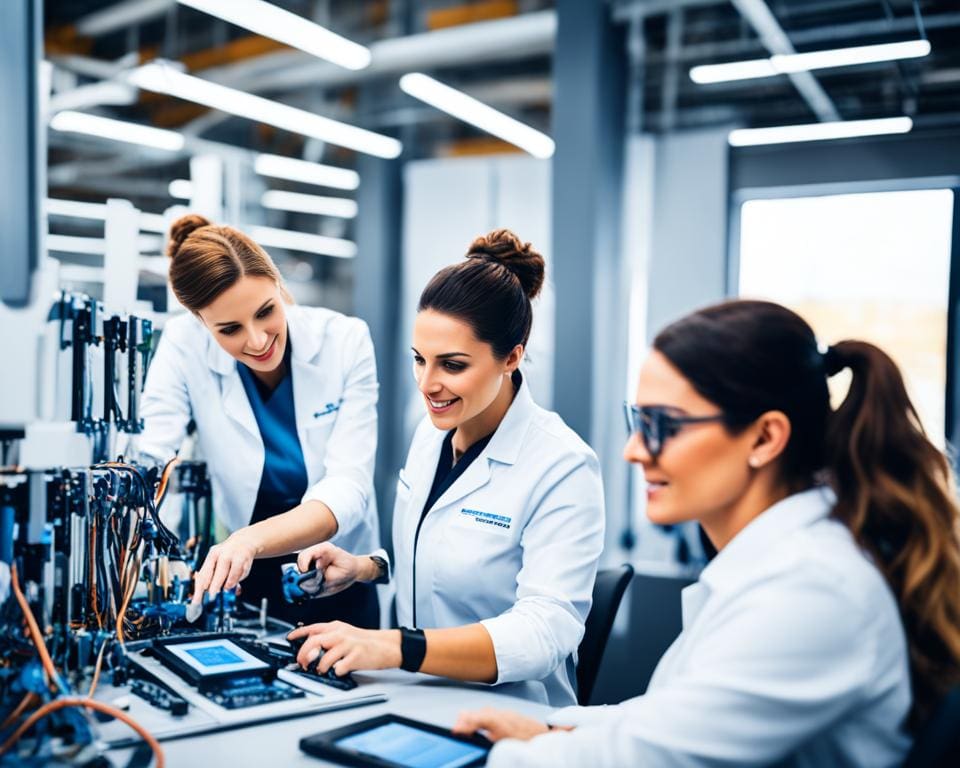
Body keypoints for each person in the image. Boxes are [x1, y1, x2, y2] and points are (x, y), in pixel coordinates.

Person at [453, 299, 960, 766]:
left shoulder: (813, 589)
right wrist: (550, 726)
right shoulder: (786, 561)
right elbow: (674, 719)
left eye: (662, 425)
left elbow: (652, 761)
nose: (633, 450)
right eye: (637, 420)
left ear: (764, 437)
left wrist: (508, 755)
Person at [284, 229, 606, 706]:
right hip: (419, 697)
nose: (427, 384)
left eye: (452, 365)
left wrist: (393, 646)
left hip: (515, 716)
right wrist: (367, 568)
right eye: (419, 360)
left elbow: (545, 631)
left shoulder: (563, 465)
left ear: (511, 357)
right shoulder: (431, 432)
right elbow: (451, 547)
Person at [138, 214, 382, 628]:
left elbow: (349, 484)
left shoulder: (345, 340)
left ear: (278, 285)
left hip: (336, 567)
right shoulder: (184, 344)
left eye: (266, 311)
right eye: (229, 329)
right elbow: (153, 452)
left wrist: (249, 540)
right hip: (248, 574)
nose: (256, 340)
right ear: (200, 323)